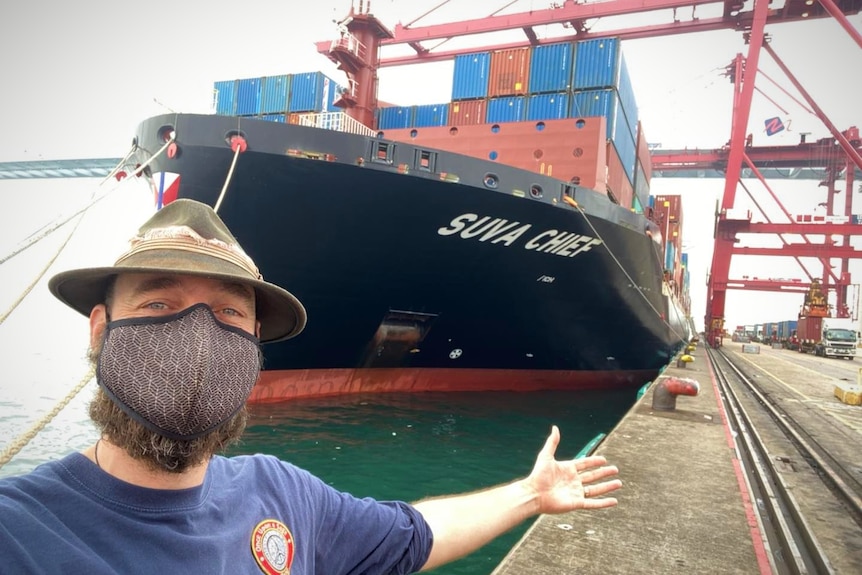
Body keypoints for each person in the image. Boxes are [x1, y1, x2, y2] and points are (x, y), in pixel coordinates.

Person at [0, 199, 621, 574]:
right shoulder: (20, 531)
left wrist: (530, 495)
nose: (196, 337)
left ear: (252, 351)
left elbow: (414, 536)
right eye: (160, 305)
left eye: (227, 314)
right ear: (101, 330)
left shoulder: (284, 493)